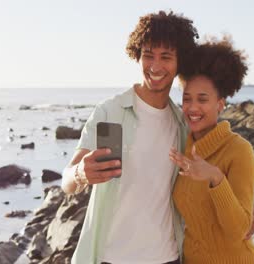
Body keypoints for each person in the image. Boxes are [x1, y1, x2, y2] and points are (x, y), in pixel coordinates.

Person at [62, 10, 198, 264]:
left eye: (166, 57)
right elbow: (67, 181)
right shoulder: (111, 110)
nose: (155, 66)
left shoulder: (182, 124)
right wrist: (80, 173)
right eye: (148, 55)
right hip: (111, 257)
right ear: (137, 56)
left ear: (180, 62)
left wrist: (244, 207)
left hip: (167, 257)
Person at [169, 36, 254, 263]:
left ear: (220, 104)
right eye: (187, 99)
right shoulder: (183, 146)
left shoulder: (239, 150)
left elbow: (239, 230)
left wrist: (216, 178)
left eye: (202, 99)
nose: (193, 107)